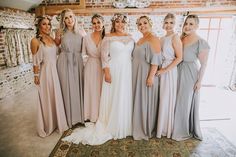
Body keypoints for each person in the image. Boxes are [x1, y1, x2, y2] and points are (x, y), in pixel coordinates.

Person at [63, 13, 134, 145]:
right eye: (117, 22)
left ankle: (124, 121)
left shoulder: (131, 37)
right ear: (113, 24)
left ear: (126, 24)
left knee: (124, 96)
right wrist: (107, 72)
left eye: (122, 22)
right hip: (113, 69)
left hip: (127, 71)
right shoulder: (108, 37)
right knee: (112, 96)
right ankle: (105, 119)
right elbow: (104, 57)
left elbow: (133, 56)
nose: (120, 24)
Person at [172, 14, 210, 141]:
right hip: (176, 71)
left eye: (191, 24)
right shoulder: (180, 38)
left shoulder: (201, 42)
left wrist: (200, 81)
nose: (187, 26)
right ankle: (171, 127)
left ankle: (182, 130)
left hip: (190, 73)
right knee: (175, 99)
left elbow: (204, 64)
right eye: (186, 23)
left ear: (197, 26)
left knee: (184, 101)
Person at [31, 15, 68, 137]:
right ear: (38, 26)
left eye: (48, 24)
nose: (47, 26)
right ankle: (48, 124)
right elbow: (35, 60)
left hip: (55, 71)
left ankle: (57, 121)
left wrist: (58, 35)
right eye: (44, 24)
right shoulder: (35, 41)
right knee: (46, 98)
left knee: (55, 96)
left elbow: (58, 49)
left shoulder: (51, 38)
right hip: (45, 72)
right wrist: (36, 75)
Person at [132, 15, 162, 140]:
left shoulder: (154, 39)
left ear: (150, 24)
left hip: (146, 75)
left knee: (145, 101)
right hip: (137, 75)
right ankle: (137, 125)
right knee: (138, 100)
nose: (142, 26)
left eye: (144, 23)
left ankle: (145, 128)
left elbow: (156, 60)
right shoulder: (140, 40)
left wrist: (150, 77)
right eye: (139, 24)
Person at [55, 9, 85, 128]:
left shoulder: (82, 32)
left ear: (74, 17)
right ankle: (68, 118)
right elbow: (55, 48)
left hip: (77, 61)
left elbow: (87, 47)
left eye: (71, 17)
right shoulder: (60, 32)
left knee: (78, 87)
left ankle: (79, 117)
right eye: (66, 18)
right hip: (64, 61)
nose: (69, 20)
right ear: (63, 20)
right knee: (66, 88)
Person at [156, 13, 182, 138]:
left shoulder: (175, 37)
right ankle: (160, 127)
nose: (168, 25)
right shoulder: (161, 39)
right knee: (162, 98)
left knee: (167, 98)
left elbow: (179, 58)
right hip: (162, 69)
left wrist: (165, 70)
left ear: (175, 24)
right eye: (166, 22)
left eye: (171, 22)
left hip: (170, 71)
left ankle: (166, 129)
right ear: (163, 24)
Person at [82, 14, 105, 122]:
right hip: (90, 66)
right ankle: (90, 115)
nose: (96, 25)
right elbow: (83, 54)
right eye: (94, 23)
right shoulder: (86, 38)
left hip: (103, 66)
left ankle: (102, 115)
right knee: (91, 90)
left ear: (103, 23)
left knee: (102, 90)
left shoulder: (107, 37)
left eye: (98, 22)